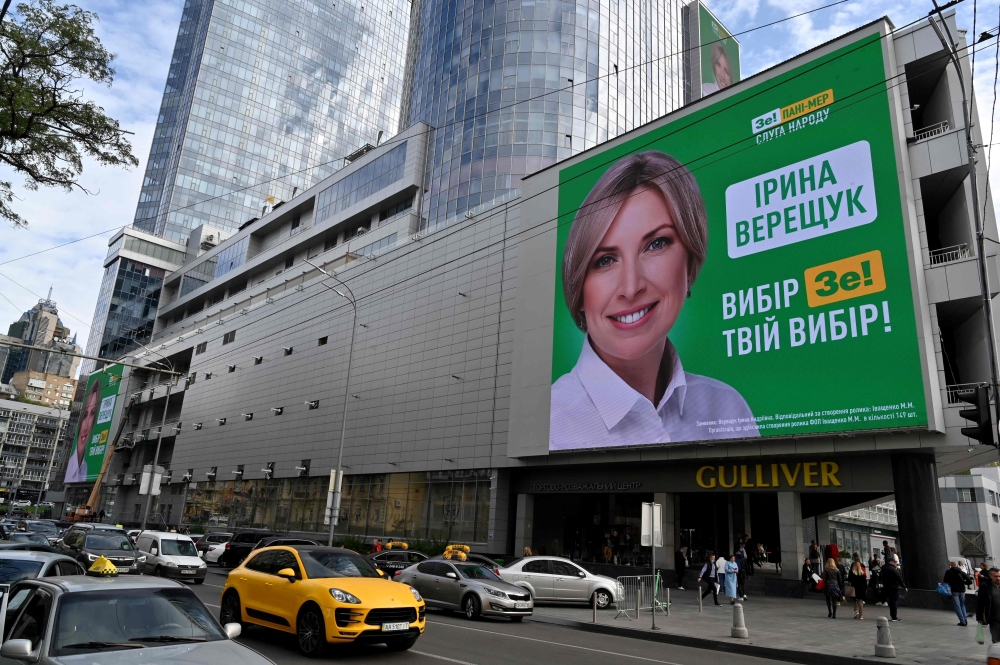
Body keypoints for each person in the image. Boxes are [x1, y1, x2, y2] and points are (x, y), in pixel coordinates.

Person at [550, 151, 758, 450]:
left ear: (689, 262)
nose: (631, 287)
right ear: (579, 291)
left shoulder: (727, 407)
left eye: (656, 244)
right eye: (605, 260)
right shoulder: (550, 427)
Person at [64, 379, 104, 483]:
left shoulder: (85, 467)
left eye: (92, 414)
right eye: (85, 415)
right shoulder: (69, 470)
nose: (85, 427)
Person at [944, 560, 973, 626]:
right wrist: (963, 582)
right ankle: (965, 620)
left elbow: (945, 580)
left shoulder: (948, 572)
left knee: (957, 606)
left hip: (954, 590)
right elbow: (969, 581)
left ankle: (962, 621)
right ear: (957, 565)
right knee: (962, 605)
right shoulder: (962, 572)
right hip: (962, 590)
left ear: (950, 565)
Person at [977, 568, 1000, 643]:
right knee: (996, 641)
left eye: (999, 576)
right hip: (994, 619)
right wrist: (979, 617)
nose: (998, 578)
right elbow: (980, 602)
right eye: (996, 576)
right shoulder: (985, 586)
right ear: (990, 576)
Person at [882, 556, 907, 622]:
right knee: (894, 602)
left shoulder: (883, 568)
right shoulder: (892, 569)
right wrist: (904, 586)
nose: (895, 563)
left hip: (886, 587)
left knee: (891, 601)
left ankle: (892, 616)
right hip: (893, 587)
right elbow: (899, 578)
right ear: (890, 562)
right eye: (894, 562)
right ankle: (894, 617)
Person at [848, 553, 868, 620]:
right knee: (860, 601)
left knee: (854, 600)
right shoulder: (862, 573)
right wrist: (865, 588)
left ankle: (856, 611)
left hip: (854, 588)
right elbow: (865, 582)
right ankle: (861, 615)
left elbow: (849, 579)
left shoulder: (852, 572)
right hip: (861, 588)